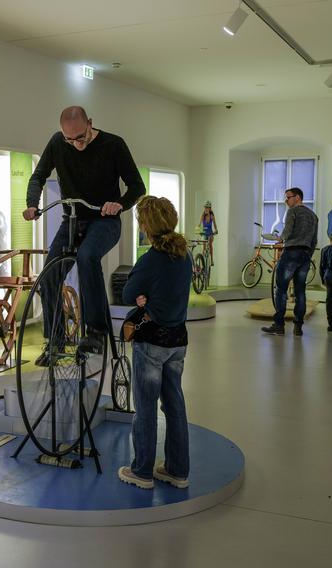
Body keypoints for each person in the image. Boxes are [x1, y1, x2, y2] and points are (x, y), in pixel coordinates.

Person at [24, 106, 145, 362]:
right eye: (70, 140)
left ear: (90, 123)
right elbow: (38, 177)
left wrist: (120, 203)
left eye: (81, 137)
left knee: (87, 256)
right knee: (49, 275)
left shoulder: (114, 145)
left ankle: (96, 331)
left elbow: (137, 186)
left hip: (105, 220)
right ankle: (56, 342)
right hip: (72, 220)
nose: (76, 145)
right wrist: (32, 204)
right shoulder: (58, 143)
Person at [118, 196, 192, 490]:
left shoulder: (150, 259)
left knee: (145, 407)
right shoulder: (184, 255)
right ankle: (177, 470)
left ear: (146, 226)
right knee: (174, 403)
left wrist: (141, 297)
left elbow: (128, 294)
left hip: (151, 343)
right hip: (178, 340)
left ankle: (142, 471)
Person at [261, 187, 319, 337]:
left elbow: (287, 232)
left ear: (298, 197)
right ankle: (298, 327)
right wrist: (307, 254)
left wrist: (280, 239)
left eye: (288, 197)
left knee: (281, 290)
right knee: (300, 292)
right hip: (305, 255)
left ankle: (279, 325)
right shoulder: (314, 216)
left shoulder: (293, 211)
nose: (286, 201)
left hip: (291, 252)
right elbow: (314, 240)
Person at [199, 201, 218, 266]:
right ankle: (202, 262)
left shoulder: (212, 216)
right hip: (204, 233)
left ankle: (212, 260)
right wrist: (198, 231)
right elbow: (199, 224)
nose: (206, 209)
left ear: (210, 209)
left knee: (210, 244)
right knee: (204, 247)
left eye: (207, 208)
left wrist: (216, 230)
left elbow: (215, 225)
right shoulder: (203, 216)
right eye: (205, 208)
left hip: (210, 233)